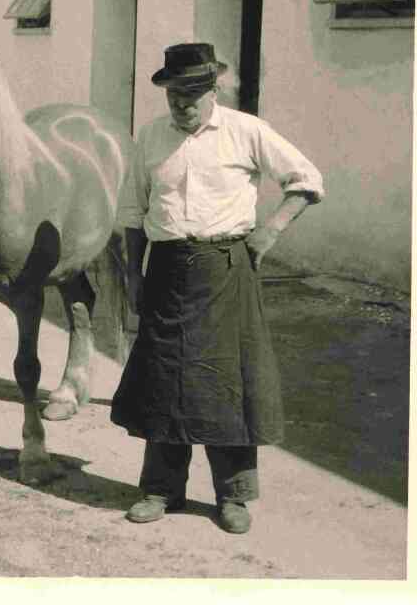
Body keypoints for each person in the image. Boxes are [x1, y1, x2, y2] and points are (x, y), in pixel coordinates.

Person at [111, 42, 325, 534]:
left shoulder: (246, 131)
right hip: (165, 267)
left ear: (213, 89)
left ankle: (233, 497)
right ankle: (161, 490)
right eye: (172, 96)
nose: (181, 105)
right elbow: (131, 214)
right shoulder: (149, 137)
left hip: (226, 269)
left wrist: (270, 231)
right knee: (164, 380)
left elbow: (307, 179)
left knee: (227, 384)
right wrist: (133, 276)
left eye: (190, 94)